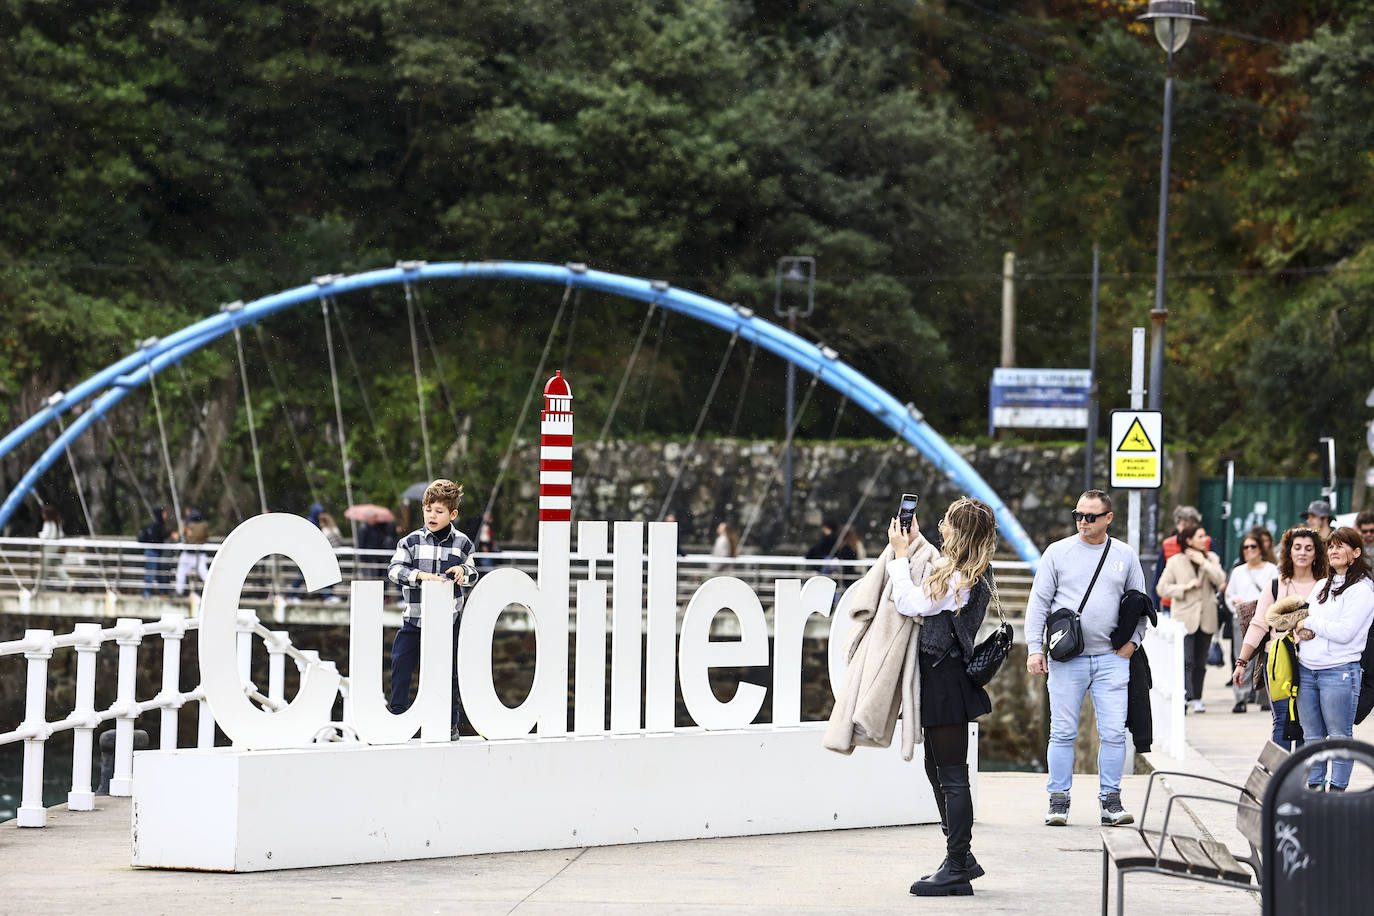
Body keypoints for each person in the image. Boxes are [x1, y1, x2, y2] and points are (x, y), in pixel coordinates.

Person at [885, 497, 997, 897]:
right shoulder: (964, 571)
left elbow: (910, 601)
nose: (941, 526)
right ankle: (960, 857)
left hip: (946, 677)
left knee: (951, 775)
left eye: (948, 522)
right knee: (937, 769)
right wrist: (911, 542)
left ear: (961, 531)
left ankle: (956, 867)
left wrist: (899, 556)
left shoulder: (962, 577)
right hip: (941, 678)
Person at [1026, 489, 1146, 828]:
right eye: (1078, 515)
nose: (1082, 521)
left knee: (1113, 733)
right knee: (1062, 732)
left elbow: (1140, 602)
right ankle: (1058, 800)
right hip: (1068, 659)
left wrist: (1133, 644)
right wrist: (1036, 648)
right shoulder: (1057, 552)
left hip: (1111, 658)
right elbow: (1038, 603)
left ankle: (1111, 801)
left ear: (1108, 518)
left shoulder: (1124, 554)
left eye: (1090, 516)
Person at [387, 479, 476, 741]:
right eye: (428, 509)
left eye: (439, 511)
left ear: (453, 514)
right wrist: (419, 576)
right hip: (415, 619)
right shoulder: (410, 541)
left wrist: (464, 571)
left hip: (449, 621)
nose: (432, 516)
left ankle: (450, 722)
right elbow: (393, 570)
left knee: (450, 673)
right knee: (401, 664)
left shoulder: (463, 543)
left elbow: (474, 573)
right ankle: (399, 715)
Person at [1291, 527, 1374, 790]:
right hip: (1307, 669)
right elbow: (1301, 621)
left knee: (1339, 736)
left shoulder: (1362, 589)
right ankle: (1314, 789)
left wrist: (1311, 622)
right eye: (1331, 546)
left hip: (1338, 672)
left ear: (1356, 552)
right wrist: (1300, 629)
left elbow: (1345, 633)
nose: (1334, 551)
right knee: (1312, 736)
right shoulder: (1320, 586)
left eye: (1341, 546)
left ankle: (1336, 791)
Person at [1232, 527, 1328, 750]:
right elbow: (1257, 626)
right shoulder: (1275, 586)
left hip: (1315, 661)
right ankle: (1282, 779)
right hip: (1278, 660)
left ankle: (1305, 780)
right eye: (1297, 548)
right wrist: (1241, 662)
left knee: (1310, 723)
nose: (1302, 553)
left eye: (1308, 548)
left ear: (1316, 553)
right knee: (1282, 720)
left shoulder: (1325, 585)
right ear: (1289, 552)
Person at [1157, 523, 1227, 713]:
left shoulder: (1211, 558)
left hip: (1207, 614)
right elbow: (1161, 588)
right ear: (1188, 540)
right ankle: (1185, 696)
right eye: (1200, 536)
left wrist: (1204, 563)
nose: (1205, 540)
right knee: (1185, 659)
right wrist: (1185, 587)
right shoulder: (1175, 561)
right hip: (1184, 616)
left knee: (1200, 661)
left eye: (1205, 536)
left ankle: (1197, 698)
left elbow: (1221, 580)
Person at [1222, 532, 1278, 713]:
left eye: (1253, 546)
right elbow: (1229, 595)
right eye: (1245, 547)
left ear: (1261, 549)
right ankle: (1241, 698)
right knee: (1242, 657)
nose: (1249, 550)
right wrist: (1235, 604)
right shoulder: (1238, 571)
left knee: (1265, 658)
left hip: (1266, 618)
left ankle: (1264, 697)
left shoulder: (1271, 569)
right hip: (1241, 619)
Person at [1152, 505, 1202, 614]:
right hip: (1171, 603)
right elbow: (1158, 577)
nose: (1187, 529)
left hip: (1199, 605)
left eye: (1191, 526)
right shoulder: (1168, 544)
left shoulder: (1205, 542)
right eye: (1183, 525)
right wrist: (1155, 607)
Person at [137, 506, 175, 597]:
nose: (166, 515)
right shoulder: (157, 524)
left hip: (155, 552)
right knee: (151, 572)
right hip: (152, 552)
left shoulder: (156, 524)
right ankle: (147, 592)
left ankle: (163, 592)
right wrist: (170, 534)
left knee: (158, 572)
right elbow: (160, 535)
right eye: (164, 513)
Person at [175, 508, 210, 596]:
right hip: (199, 553)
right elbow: (206, 536)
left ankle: (179, 591)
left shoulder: (188, 524)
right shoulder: (204, 525)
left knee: (181, 572)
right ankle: (211, 590)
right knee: (204, 574)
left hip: (191, 553)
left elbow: (179, 536)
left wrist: (185, 529)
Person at [37, 504, 70, 590]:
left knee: (44, 566)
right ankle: (68, 582)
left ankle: (42, 586)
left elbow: (45, 536)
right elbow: (61, 535)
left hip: (49, 547)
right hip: (57, 545)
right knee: (56, 565)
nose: (42, 515)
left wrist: (39, 535)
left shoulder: (48, 523)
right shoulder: (57, 523)